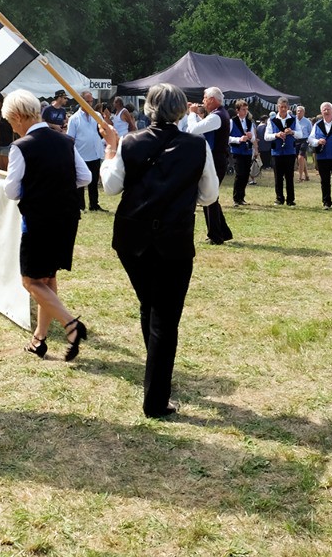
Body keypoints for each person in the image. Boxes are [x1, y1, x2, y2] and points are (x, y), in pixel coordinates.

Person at [99, 83, 219, 418]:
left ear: (149, 108)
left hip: (132, 238)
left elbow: (110, 186)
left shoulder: (129, 143)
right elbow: (209, 195)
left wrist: (111, 150)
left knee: (150, 306)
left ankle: (156, 374)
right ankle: (155, 398)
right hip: (173, 240)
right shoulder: (197, 147)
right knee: (164, 318)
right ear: (182, 110)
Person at [2, 89, 92, 361]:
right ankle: (39, 340)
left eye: (10, 122)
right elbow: (85, 176)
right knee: (48, 279)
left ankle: (71, 325)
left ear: (18, 117)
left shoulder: (21, 147)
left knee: (30, 281)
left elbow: (11, 191)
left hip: (39, 220)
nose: (12, 128)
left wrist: (40, 190)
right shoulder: (65, 141)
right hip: (66, 219)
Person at [185, 86, 233, 244]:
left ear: (212, 100)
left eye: (205, 98)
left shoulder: (217, 116)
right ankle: (222, 231)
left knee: (209, 196)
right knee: (211, 196)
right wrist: (195, 115)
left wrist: (192, 114)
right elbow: (204, 126)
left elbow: (193, 129)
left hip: (216, 160)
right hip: (216, 159)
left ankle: (216, 235)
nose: (203, 101)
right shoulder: (218, 115)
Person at [67, 91, 105, 212]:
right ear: (80, 101)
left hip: (94, 153)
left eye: (91, 101)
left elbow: (103, 130)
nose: (90, 104)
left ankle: (94, 204)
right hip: (81, 155)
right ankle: (80, 206)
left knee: (94, 181)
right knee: (81, 182)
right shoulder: (74, 119)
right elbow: (70, 138)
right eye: (87, 101)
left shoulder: (97, 115)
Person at [309, 101, 332, 210]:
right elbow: (310, 139)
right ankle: (326, 202)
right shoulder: (317, 124)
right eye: (324, 109)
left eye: (328, 109)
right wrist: (317, 141)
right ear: (321, 111)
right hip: (322, 156)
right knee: (324, 181)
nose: (326, 111)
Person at [264, 97, 298, 206]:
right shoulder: (272, 120)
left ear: (288, 107)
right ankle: (279, 198)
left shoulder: (294, 119)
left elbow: (301, 134)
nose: (283, 109)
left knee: (289, 176)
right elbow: (266, 136)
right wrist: (276, 135)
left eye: (285, 107)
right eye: (281, 107)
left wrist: (292, 132)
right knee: (278, 177)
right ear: (277, 107)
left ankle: (290, 199)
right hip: (276, 152)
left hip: (289, 152)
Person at [228, 100, 256, 205]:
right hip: (237, 151)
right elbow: (227, 138)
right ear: (237, 110)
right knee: (239, 174)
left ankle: (241, 197)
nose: (245, 111)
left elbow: (253, 139)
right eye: (243, 109)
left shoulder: (250, 122)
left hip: (247, 151)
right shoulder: (232, 122)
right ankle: (236, 198)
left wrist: (250, 136)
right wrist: (238, 139)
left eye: (246, 109)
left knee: (245, 175)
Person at [294, 105, 312, 181]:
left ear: (303, 112)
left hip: (304, 140)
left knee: (300, 157)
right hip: (295, 140)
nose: (299, 112)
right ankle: (307, 175)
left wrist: (309, 141)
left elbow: (311, 132)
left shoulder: (307, 122)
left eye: (300, 111)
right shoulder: (293, 120)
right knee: (301, 158)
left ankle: (300, 176)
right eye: (298, 111)